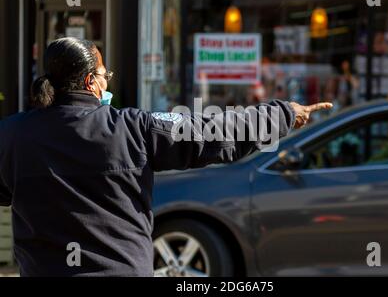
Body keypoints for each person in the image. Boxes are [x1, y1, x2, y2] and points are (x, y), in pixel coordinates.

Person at [0, 37, 332, 277]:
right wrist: (282, 114)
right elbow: (213, 131)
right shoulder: (131, 128)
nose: (107, 82)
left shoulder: (13, 135)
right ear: (91, 82)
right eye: (105, 76)